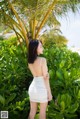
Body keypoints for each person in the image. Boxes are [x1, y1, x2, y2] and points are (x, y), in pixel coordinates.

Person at [28, 39, 52, 119]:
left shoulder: (29, 62)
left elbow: (36, 76)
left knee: (32, 112)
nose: (43, 48)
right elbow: (45, 78)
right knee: (42, 114)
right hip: (42, 89)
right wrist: (49, 93)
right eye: (41, 46)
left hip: (33, 88)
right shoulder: (42, 60)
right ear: (35, 48)